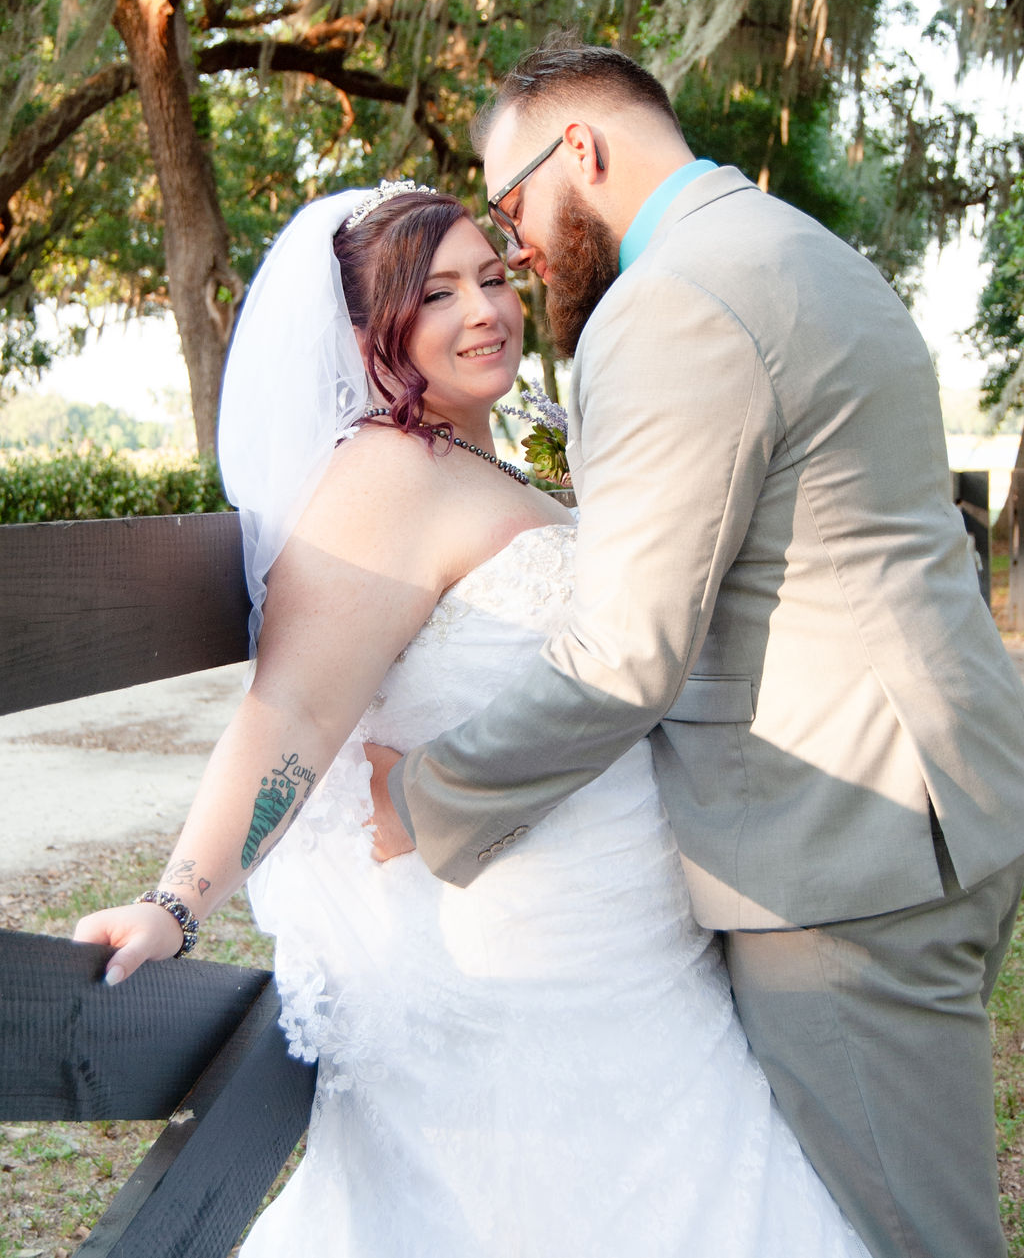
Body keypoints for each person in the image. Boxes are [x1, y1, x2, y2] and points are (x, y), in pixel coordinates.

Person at [74, 182, 872, 1257]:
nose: (483, 309)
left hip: (633, 946)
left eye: (491, 277)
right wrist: (178, 899)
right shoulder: (386, 474)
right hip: (515, 963)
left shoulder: (501, 458)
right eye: (436, 292)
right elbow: (296, 708)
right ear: (367, 334)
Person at [373, 43, 1024, 1258]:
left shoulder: (669, 303)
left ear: (582, 151)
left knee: (913, 1233)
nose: (513, 247)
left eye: (509, 206)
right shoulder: (803, 249)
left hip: (839, 852)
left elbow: (626, 652)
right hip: (947, 801)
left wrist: (428, 791)